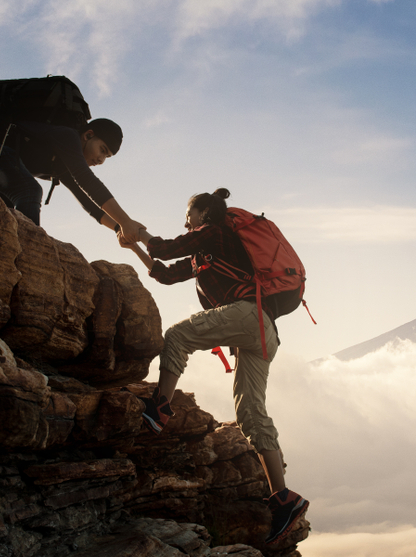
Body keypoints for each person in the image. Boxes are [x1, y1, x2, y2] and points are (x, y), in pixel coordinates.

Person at [125, 188, 309, 546]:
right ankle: (284, 498)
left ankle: (158, 409)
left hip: (248, 317)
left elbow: (164, 248)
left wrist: (137, 230)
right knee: (251, 415)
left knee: (177, 336)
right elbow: (164, 273)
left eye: (189, 216)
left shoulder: (216, 231)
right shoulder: (204, 255)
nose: (186, 223)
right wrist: (133, 246)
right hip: (263, 332)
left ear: (204, 213)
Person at [0, 117, 146, 239]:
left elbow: (88, 203)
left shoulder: (62, 163)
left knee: (4, 212)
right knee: (29, 191)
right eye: (102, 150)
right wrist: (125, 221)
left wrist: (119, 228)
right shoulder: (68, 136)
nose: (101, 160)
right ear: (88, 135)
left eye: (107, 157)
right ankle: (30, 257)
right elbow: (88, 181)